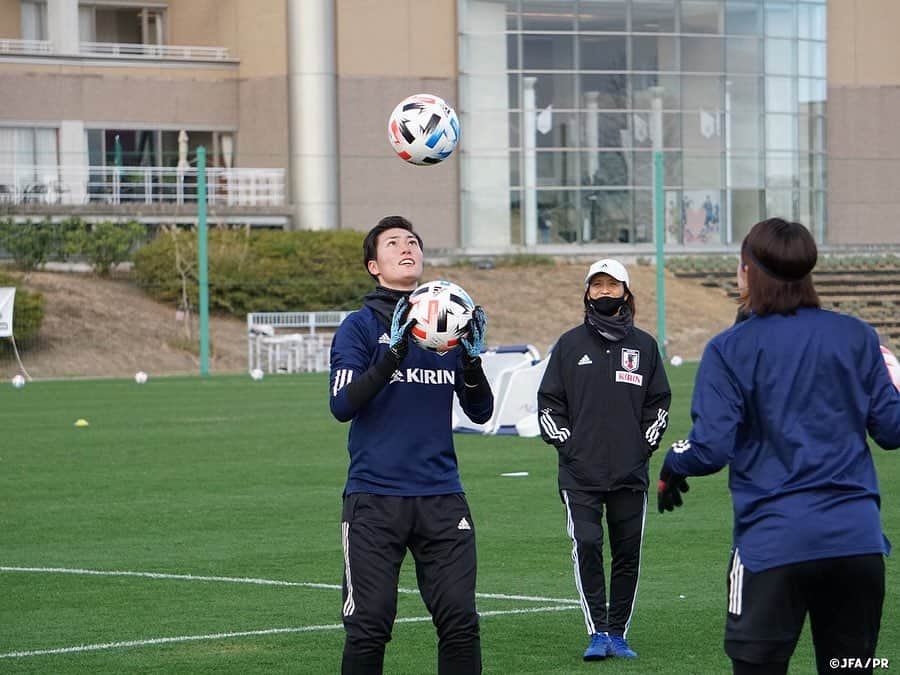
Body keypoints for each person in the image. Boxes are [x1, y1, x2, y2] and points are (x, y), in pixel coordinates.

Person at [658, 218, 900, 675]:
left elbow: (709, 449)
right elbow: (892, 429)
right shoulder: (858, 336)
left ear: (747, 271)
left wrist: (674, 462)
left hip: (772, 547)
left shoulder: (729, 348)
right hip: (856, 545)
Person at [329, 215, 493, 675]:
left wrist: (473, 361)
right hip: (375, 499)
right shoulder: (359, 327)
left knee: (460, 622)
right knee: (369, 624)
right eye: (394, 243)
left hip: (442, 496)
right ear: (373, 266)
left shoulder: (448, 323)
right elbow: (342, 404)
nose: (408, 248)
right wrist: (392, 356)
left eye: (414, 242)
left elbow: (481, 412)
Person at [537, 258, 671, 662]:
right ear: (587, 293)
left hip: (630, 472)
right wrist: (568, 444)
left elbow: (659, 403)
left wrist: (643, 444)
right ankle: (597, 631)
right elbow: (548, 404)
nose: (605, 292)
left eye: (613, 286)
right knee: (589, 544)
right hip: (580, 473)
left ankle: (619, 633)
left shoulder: (645, 346)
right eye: (598, 286)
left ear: (626, 293)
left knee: (627, 553)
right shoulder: (569, 345)